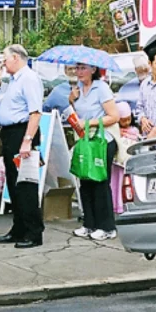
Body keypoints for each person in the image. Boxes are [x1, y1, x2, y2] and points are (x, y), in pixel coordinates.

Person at [0, 44, 45, 249]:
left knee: (25, 186)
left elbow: (35, 112)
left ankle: (34, 231)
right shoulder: (15, 80)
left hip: (22, 133)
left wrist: (27, 140)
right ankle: (19, 227)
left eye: (5, 59)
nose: (3, 63)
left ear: (16, 57)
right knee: (14, 185)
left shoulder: (29, 79)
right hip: (10, 133)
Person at [67, 63, 120, 241]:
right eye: (77, 68)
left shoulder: (102, 88)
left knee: (99, 181)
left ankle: (107, 226)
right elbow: (77, 115)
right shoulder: (78, 89)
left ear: (93, 70)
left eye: (83, 68)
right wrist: (71, 101)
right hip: (85, 140)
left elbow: (114, 116)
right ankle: (89, 223)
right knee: (85, 180)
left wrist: (90, 123)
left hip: (102, 140)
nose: (79, 72)